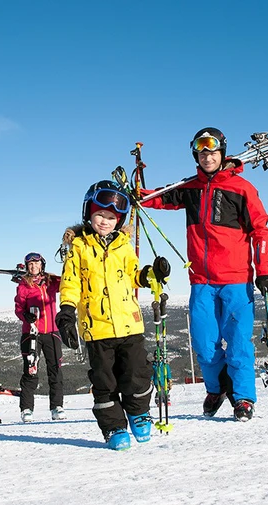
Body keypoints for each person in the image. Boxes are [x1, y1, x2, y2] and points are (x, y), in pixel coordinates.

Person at [142, 127, 268, 422]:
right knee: (203, 345)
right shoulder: (190, 188)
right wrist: (134, 195)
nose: (207, 156)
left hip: (236, 280)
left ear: (222, 152)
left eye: (212, 151)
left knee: (238, 344)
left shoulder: (242, 188)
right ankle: (217, 388)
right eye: (201, 152)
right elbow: (158, 198)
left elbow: (261, 231)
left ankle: (243, 398)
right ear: (196, 156)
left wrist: (263, 270)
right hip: (201, 281)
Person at [55, 180, 170, 450]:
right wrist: (67, 311)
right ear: (88, 213)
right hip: (98, 329)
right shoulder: (79, 247)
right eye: (100, 215)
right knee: (104, 381)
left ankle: (139, 413)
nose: (105, 221)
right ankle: (114, 426)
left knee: (136, 374)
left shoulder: (123, 245)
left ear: (119, 220)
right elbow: (70, 283)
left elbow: (134, 276)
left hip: (129, 325)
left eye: (111, 217)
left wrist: (153, 273)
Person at [14, 251, 66, 423]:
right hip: (32, 333)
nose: (33, 266)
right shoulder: (24, 285)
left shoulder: (50, 281)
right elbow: (19, 307)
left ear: (42, 265)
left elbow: (67, 282)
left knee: (55, 370)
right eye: (30, 264)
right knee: (31, 370)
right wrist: (25, 316)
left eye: (36, 263)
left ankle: (57, 406)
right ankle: (26, 408)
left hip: (52, 332)